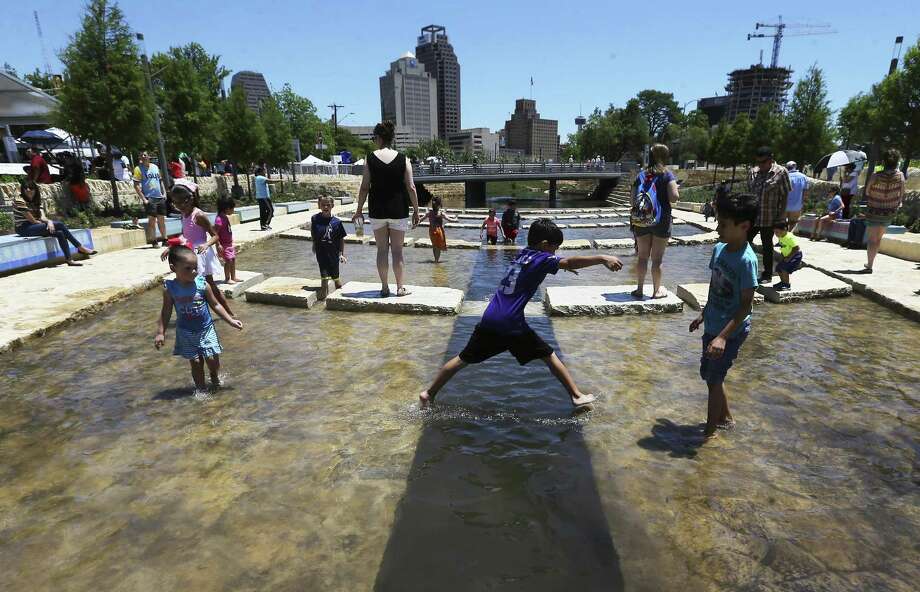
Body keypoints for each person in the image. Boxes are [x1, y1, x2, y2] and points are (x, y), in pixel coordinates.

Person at [418, 219, 623, 410]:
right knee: (548, 355)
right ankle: (577, 396)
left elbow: (547, 267)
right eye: (554, 248)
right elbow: (570, 262)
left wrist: (562, 267)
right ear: (544, 244)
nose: (556, 252)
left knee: (462, 358)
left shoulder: (523, 254)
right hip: (511, 322)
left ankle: (428, 393)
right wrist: (602, 258)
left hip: (491, 316)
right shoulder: (544, 258)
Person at [689, 191, 759, 440]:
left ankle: (709, 432)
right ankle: (726, 418)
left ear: (744, 227)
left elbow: (745, 307)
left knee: (715, 377)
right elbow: (714, 287)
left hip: (731, 331)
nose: (718, 229)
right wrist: (703, 315)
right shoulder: (719, 249)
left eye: (723, 225)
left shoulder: (746, 261)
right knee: (709, 376)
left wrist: (722, 338)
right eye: (718, 222)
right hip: (713, 324)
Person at [155, 245, 243, 392]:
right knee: (195, 362)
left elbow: (216, 305)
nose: (194, 272)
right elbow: (166, 312)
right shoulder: (170, 289)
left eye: (195, 267)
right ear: (173, 268)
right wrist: (160, 332)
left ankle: (214, 376)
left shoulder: (202, 285)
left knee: (211, 359)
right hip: (186, 332)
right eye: (187, 269)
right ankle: (201, 390)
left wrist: (231, 320)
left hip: (206, 329)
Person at [352, 120, 421, 297]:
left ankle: (384, 288)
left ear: (379, 138)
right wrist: (416, 210)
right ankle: (399, 288)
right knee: (397, 251)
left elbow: (364, 187)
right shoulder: (404, 158)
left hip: (377, 209)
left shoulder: (370, 158)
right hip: (398, 209)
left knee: (382, 249)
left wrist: (359, 210)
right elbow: (411, 187)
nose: (373, 141)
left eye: (374, 138)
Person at [159, 182, 235, 317]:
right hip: (189, 253)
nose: (178, 206)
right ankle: (198, 313)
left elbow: (215, 235)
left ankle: (229, 313)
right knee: (193, 284)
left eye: (181, 203)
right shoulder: (183, 215)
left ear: (189, 200)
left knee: (209, 285)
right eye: (175, 203)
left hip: (201, 254)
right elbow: (185, 236)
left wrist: (206, 245)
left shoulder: (198, 215)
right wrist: (171, 247)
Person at [630, 143, 679, 299]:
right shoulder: (667, 175)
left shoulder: (641, 175)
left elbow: (632, 201)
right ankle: (656, 291)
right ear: (664, 157)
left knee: (642, 256)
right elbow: (674, 197)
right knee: (657, 258)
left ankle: (639, 290)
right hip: (661, 220)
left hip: (641, 220)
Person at [14, 178, 96, 266]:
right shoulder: (19, 200)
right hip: (23, 228)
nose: (28, 190)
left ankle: (69, 260)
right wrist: (47, 224)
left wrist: (49, 222)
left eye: (31, 188)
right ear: (22, 190)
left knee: (60, 233)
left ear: (35, 189)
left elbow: (42, 217)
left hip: (35, 226)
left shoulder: (37, 200)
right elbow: (32, 220)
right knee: (59, 225)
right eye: (25, 188)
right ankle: (80, 247)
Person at [747, 146, 791, 284]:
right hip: (753, 216)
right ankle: (745, 269)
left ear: (771, 160)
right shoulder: (753, 172)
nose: (760, 165)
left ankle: (767, 274)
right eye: (758, 162)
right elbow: (749, 194)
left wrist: (782, 217)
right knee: (744, 241)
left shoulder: (781, 172)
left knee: (767, 246)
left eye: (763, 162)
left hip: (770, 216)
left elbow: (785, 196)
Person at [863, 148, 906, 273]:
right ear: (897, 161)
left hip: (874, 210)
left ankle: (869, 264)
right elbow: (901, 193)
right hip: (889, 211)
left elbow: (867, 191)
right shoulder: (900, 176)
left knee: (872, 238)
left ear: (884, 161)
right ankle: (872, 262)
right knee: (878, 238)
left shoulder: (876, 175)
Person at [311, 196, 348, 298]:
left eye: (328, 205)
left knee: (336, 278)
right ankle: (323, 301)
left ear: (332, 206)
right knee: (324, 278)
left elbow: (341, 239)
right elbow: (313, 232)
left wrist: (341, 254)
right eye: (323, 205)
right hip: (321, 253)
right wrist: (314, 243)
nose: (326, 207)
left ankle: (339, 299)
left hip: (333, 254)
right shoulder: (315, 219)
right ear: (319, 206)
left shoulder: (337, 222)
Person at [133, 150, 168, 247]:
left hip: (159, 196)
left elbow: (160, 181)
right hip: (149, 197)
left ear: (149, 157)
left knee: (161, 219)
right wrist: (144, 199)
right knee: (152, 220)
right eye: (141, 155)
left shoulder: (155, 167)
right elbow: (136, 185)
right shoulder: (138, 169)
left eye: (145, 154)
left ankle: (165, 239)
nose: (143, 156)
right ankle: (154, 240)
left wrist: (164, 192)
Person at [418, 196, 458, 263]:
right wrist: (456, 220)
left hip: (432, 231)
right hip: (439, 231)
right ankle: (437, 261)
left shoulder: (429, 213)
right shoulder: (440, 213)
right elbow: (449, 219)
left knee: (434, 246)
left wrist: (415, 224)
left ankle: (435, 260)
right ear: (439, 204)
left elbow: (420, 219)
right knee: (438, 246)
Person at [214, 197, 238, 284]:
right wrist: (218, 244)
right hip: (223, 244)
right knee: (228, 261)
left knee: (233, 259)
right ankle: (227, 278)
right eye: (232, 209)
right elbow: (214, 233)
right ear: (227, 208)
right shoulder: (219, 219)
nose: (233, 211)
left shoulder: (224, 217)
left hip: (229, 243)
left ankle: (233, 277)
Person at [772, 223, 803, 291]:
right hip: (787, 255)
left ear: (784, 230)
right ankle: (783, 282)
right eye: (774, 232)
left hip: (795, 255)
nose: (775, 234)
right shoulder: (780, 236)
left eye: (777, 232)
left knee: (784, 268)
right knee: (778, 268)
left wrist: (788, 257)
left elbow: (796, 248)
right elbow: (783, 246)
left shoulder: (789, 237)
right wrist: (782, 256)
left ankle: (787, 285)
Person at [785, 161, 809, 230]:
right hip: (796, 205)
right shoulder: (803, 177)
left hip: (784, 205)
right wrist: (803, 203)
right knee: (792, 224)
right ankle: (789, 239)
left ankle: (782, 240)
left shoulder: (784, 175)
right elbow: (805, 192)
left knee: (782, 224)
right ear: (795, 166)